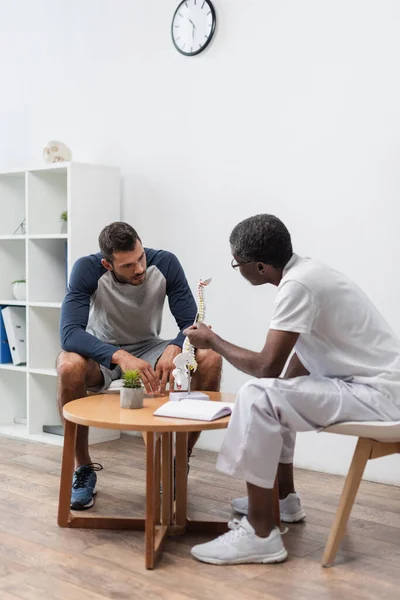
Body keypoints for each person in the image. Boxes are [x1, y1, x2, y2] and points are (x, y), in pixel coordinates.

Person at [184, 213, 400, 565]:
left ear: (259, 267)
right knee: (274, 393)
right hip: (375, 388)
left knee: (257, 395)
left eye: (236, 263)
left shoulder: (298, 286)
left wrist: (212, 340)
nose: (235, 268)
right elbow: (297, 356)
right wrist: (281, 388)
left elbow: (266, 365)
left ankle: (259, 534)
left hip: (380, 397)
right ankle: (284, 502)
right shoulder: (306, 274)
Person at [57, 221, 222, 510]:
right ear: (108, 264)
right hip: (103, 351)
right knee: (68, 364)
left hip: (150, 347)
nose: (139, 269)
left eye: (141, 258)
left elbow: (191, 324)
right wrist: (118, 355)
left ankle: (177, 462)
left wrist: (174, 344)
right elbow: (69, 333)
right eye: (127, 265)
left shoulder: (166, 263)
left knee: (210, 357)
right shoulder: (86, 268)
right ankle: (82, 468)